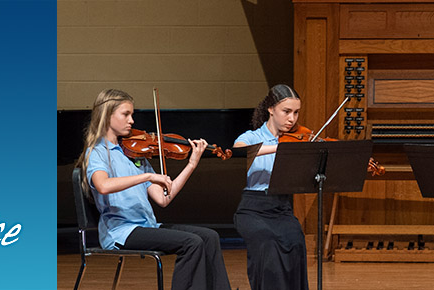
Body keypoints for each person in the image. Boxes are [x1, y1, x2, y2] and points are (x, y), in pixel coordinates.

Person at [78, 89, 231, 290]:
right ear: (107, 115)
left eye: (132, 114)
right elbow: (103, 186)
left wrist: (191, 164)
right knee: (191, 243)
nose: (131, 120)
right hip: (121, 232)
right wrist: (148, 175)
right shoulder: (97, 152)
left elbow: (163, 199)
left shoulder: (134, 154)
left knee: (209, 237)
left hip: (148, 226)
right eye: (125, 114)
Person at [231, 84, 309, 290]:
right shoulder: (251, 137)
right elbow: (239, 150)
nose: (292, 119)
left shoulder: (297, 138)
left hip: (281, 207)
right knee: (268, 243)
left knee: (296, 241)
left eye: (296, 112)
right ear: (271, 109)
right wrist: (279, 147)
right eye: (287, 112)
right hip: (253, 208)